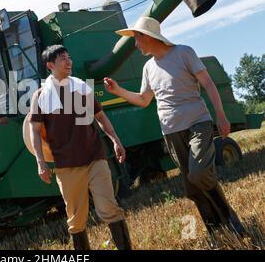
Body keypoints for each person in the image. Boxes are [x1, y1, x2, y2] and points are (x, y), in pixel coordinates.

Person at [104, 16, 245, 239]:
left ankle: (231, 219)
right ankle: (215, 231)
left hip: (198, 122)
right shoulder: (149, 67)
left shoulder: (184, 52)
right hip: (171, 131)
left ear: (148, 36)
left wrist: (221, 114)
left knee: (199, 174)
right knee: (192, 188)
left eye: (137, 39)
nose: (135, 44)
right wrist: (118, 91)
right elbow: (143, 99)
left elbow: (208, 83)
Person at [28, 45, 132, 250]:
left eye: (69, 57)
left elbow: (100, 117)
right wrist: (40, 161)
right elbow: (34, 131)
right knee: (76, 219)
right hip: (66, 165)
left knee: (109, 208)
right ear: (50, 65)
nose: (69, 62)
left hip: (95, 157)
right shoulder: (40, 96)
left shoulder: (83, 88)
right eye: (62, 59)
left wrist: (115, 140)